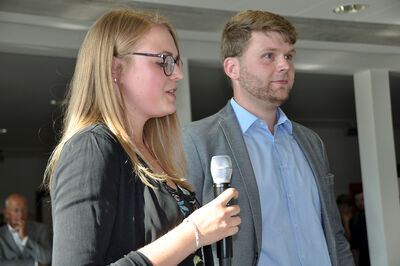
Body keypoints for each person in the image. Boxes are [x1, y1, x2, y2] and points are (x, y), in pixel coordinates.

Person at [43, 9, 241, 266]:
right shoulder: (92, 147)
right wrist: (194, 233)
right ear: (116, 69)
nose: (178, 74)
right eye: (164, 61)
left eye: (176, 62)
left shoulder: (148, 153)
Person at [183, 10, 354, 266]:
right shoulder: (199, 141)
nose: (284, 65)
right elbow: (184, 243)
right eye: (269, 56)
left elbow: (334, 233)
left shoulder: (310, 142)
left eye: (288, 56)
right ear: (233, 68)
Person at [0, 193, 52, 266]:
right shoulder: (1, 234)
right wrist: (34, 264)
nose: (21, 214)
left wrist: (24, 238)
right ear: (6, 213)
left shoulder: (41, 229)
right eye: (16, 210)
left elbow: (47, 259)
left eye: (23, 210)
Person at [350, 190, 370, 266]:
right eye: (357, 201)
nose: (360, 203)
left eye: (362, 199)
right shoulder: (354, 219)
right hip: (363, 259)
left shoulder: (375, 216)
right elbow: (354, 246)